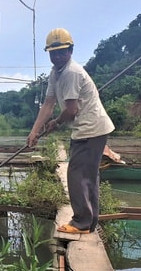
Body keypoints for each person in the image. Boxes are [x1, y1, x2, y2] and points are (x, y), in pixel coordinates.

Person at [27, 28, 115, 234]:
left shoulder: (71, 73)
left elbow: (71, 110)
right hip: (88, 128)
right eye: (53, 52)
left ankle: (82, 222)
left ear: (71, 51)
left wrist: (56, 123)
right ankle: (89, 222)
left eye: (61, 51)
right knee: (88, 175)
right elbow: (48, 103)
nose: (57, 56)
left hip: (91, 128)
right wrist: (34, 131)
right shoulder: (55, 73)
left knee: (76, 174)